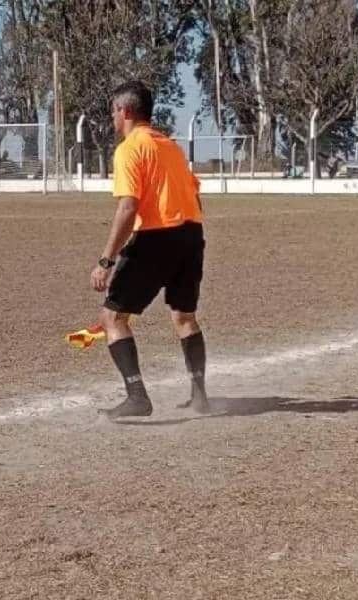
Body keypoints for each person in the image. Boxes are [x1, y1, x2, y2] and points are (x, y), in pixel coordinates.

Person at [91, 80, 209, 419]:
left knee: (113, 317)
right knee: (184, 317)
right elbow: (194, 193)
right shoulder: (169, 145)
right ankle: (200, 395)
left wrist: (106, 261)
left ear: (124, 111)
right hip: (192, 233)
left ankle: (137, 397)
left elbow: (128, 207)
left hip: (157, 237)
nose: (112, 119)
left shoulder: (131, 148)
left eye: (113, 111)